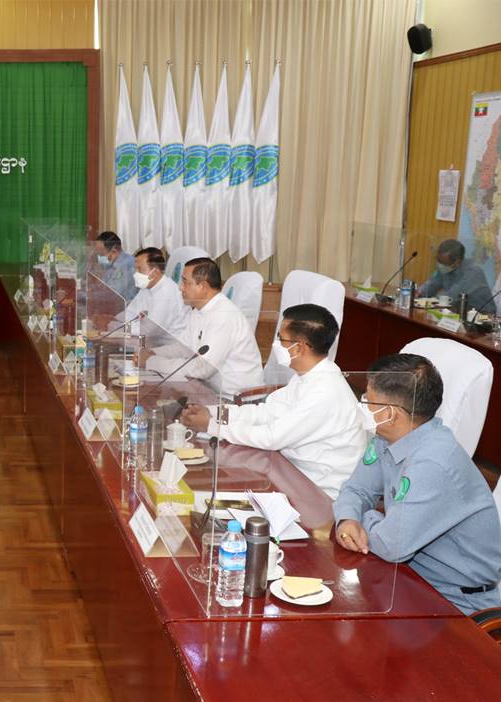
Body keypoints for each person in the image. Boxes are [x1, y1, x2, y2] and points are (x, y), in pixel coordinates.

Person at [333, 353, 501, 615]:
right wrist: (347, 519)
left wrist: (365, 517)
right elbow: (356, 489)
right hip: (408, 579)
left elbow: (391, 545)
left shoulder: (434, 463)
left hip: (456, 604)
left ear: (390, 413)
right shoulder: (386, 437)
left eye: (368, 400)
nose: (363, 405)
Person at [180, 304, 368, 497]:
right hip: (291, 472)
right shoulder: (309, 377)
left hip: (318, 492)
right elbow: (265, 412)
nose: (276, 343)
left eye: (281, 338)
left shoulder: (324, 391)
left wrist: (212, 426)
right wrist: (214, 412)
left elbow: (271, 437)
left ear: (299, 347)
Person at [142, 257, 264, 396]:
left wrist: (152, 362)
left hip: (235, 399)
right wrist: (153, 353)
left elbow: (203, 368)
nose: (180, 287)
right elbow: (184, 348)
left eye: (185, 282)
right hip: (209, 390)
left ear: (203, 286)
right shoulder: (199, 309)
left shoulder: (224, 315)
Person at [119, 247, 188, 339]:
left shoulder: (166, 293)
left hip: (169, 343)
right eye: (135, 269)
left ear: (155, 272)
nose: (136, 274)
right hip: (149, 340)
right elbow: (129, 313)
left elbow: (149, 330)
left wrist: (121, 328)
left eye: (140, 269)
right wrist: (114, 322)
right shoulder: (147, 287)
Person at [418, 238, 496, 314]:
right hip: (458, 311)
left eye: (444, 263)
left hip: (482, 315)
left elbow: (452, 297)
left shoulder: (473, 272)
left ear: (457, 262)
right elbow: (432, 283)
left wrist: (431, 301)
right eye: (438, 260)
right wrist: (419, 292)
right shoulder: (446, 268)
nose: (440, 265)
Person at [92, 231, 137, 302]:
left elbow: (113, 294)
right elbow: (103, 286)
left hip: (126, 306)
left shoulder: (126, 265)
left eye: (101, 254)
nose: (99, 258)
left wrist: (87, 296)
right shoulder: (112, 264)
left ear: (114, 251)